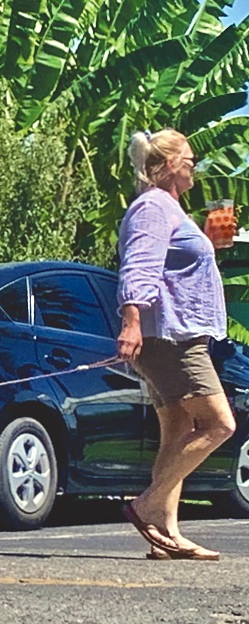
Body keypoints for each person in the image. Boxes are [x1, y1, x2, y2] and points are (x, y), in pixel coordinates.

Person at [117, 128, 236, 561]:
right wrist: (132, 320)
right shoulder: (152, 207)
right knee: (220, 425)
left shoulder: (169, 209)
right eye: (189, 160)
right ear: (168, 165)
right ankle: (147, 506)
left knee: (178, 432)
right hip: (171, 337)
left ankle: (164, 533)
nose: (194, 167)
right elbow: (139, 265)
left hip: (176, 333)